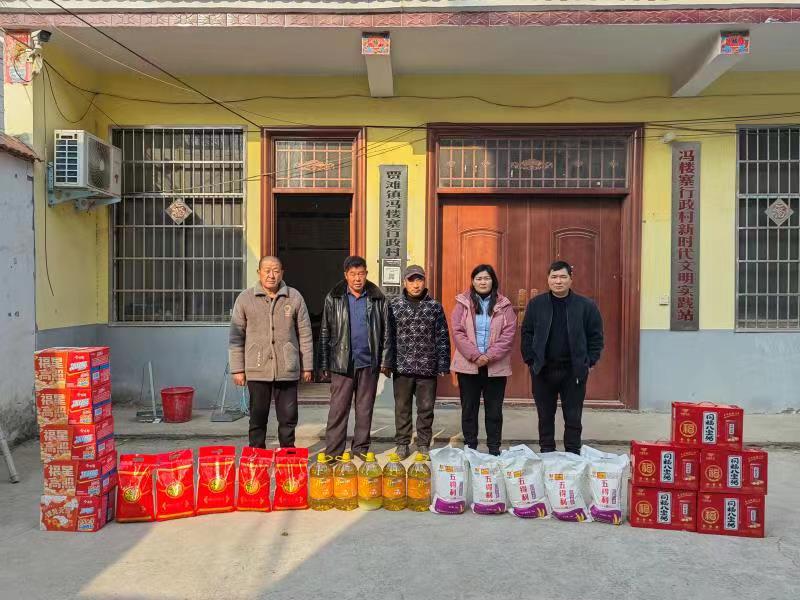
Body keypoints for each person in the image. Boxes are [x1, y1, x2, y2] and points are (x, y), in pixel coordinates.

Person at [229, 256, 313, 449]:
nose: (271, 275)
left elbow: (305, 333)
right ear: (259, 272)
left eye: (275, 270)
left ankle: (287, 455)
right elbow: (236, 336)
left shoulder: (294, 297)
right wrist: (237, 369)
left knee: (288, 417)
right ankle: (257, 456)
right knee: (257, 417)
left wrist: (307, 366)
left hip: (287, 367)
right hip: (257, 367)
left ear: (282, 273)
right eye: (267, 270)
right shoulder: (245, 298)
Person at [521, 260, 604, 455]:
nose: (558, 281)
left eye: (563, 277)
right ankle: (547, 451)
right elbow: (527, 333)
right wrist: (531, 360)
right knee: (545, 416)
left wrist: (589, 361)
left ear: (571, 279)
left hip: (573, 370)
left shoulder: (586, 306)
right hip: (543, 369)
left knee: (573, 416)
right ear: (548, 279)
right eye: (554, 277)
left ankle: (572, 453)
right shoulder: (536, 304)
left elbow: (596, 336)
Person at [320, 255, 393, 460]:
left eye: (361, 274)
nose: (357, 278)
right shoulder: (333, 297)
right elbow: (325, 330)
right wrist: (324, 363)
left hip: (368, 362)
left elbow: (387, 332)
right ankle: (334, 451)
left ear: (366, 274)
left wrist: (385, 361)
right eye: (353, 274)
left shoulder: (378, 298)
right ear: (346, 275)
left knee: (364, 408)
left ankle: (360, 448)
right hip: (342, 362)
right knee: (338, 409)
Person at [450, 264, 517, 456]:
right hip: (468, 365)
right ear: (473, 281)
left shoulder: (504, 305)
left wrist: (488, 356)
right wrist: (476, 355)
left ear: (493, 281)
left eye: (486, 278)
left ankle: (494, 449)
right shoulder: (462, 303)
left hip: (495, 366)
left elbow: (509, 334)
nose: (482, 282)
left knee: (494, 411)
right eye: (478, 278)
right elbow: (457, 332)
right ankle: (470, 448)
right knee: (469, 410)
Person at [389, 265, 451, 459]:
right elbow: (388, 336)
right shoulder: (394, 306)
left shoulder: (435, 306)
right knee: (402, 408)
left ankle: (423, 443)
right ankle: (402, 443)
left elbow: (442, 336)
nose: (416, 285)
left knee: (426, 408)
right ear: (404, 282)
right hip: (402, 366)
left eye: (419, 280)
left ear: (424, 281)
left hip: (427, 366)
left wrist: (443, 363)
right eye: (411, 280)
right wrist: (386, 362)